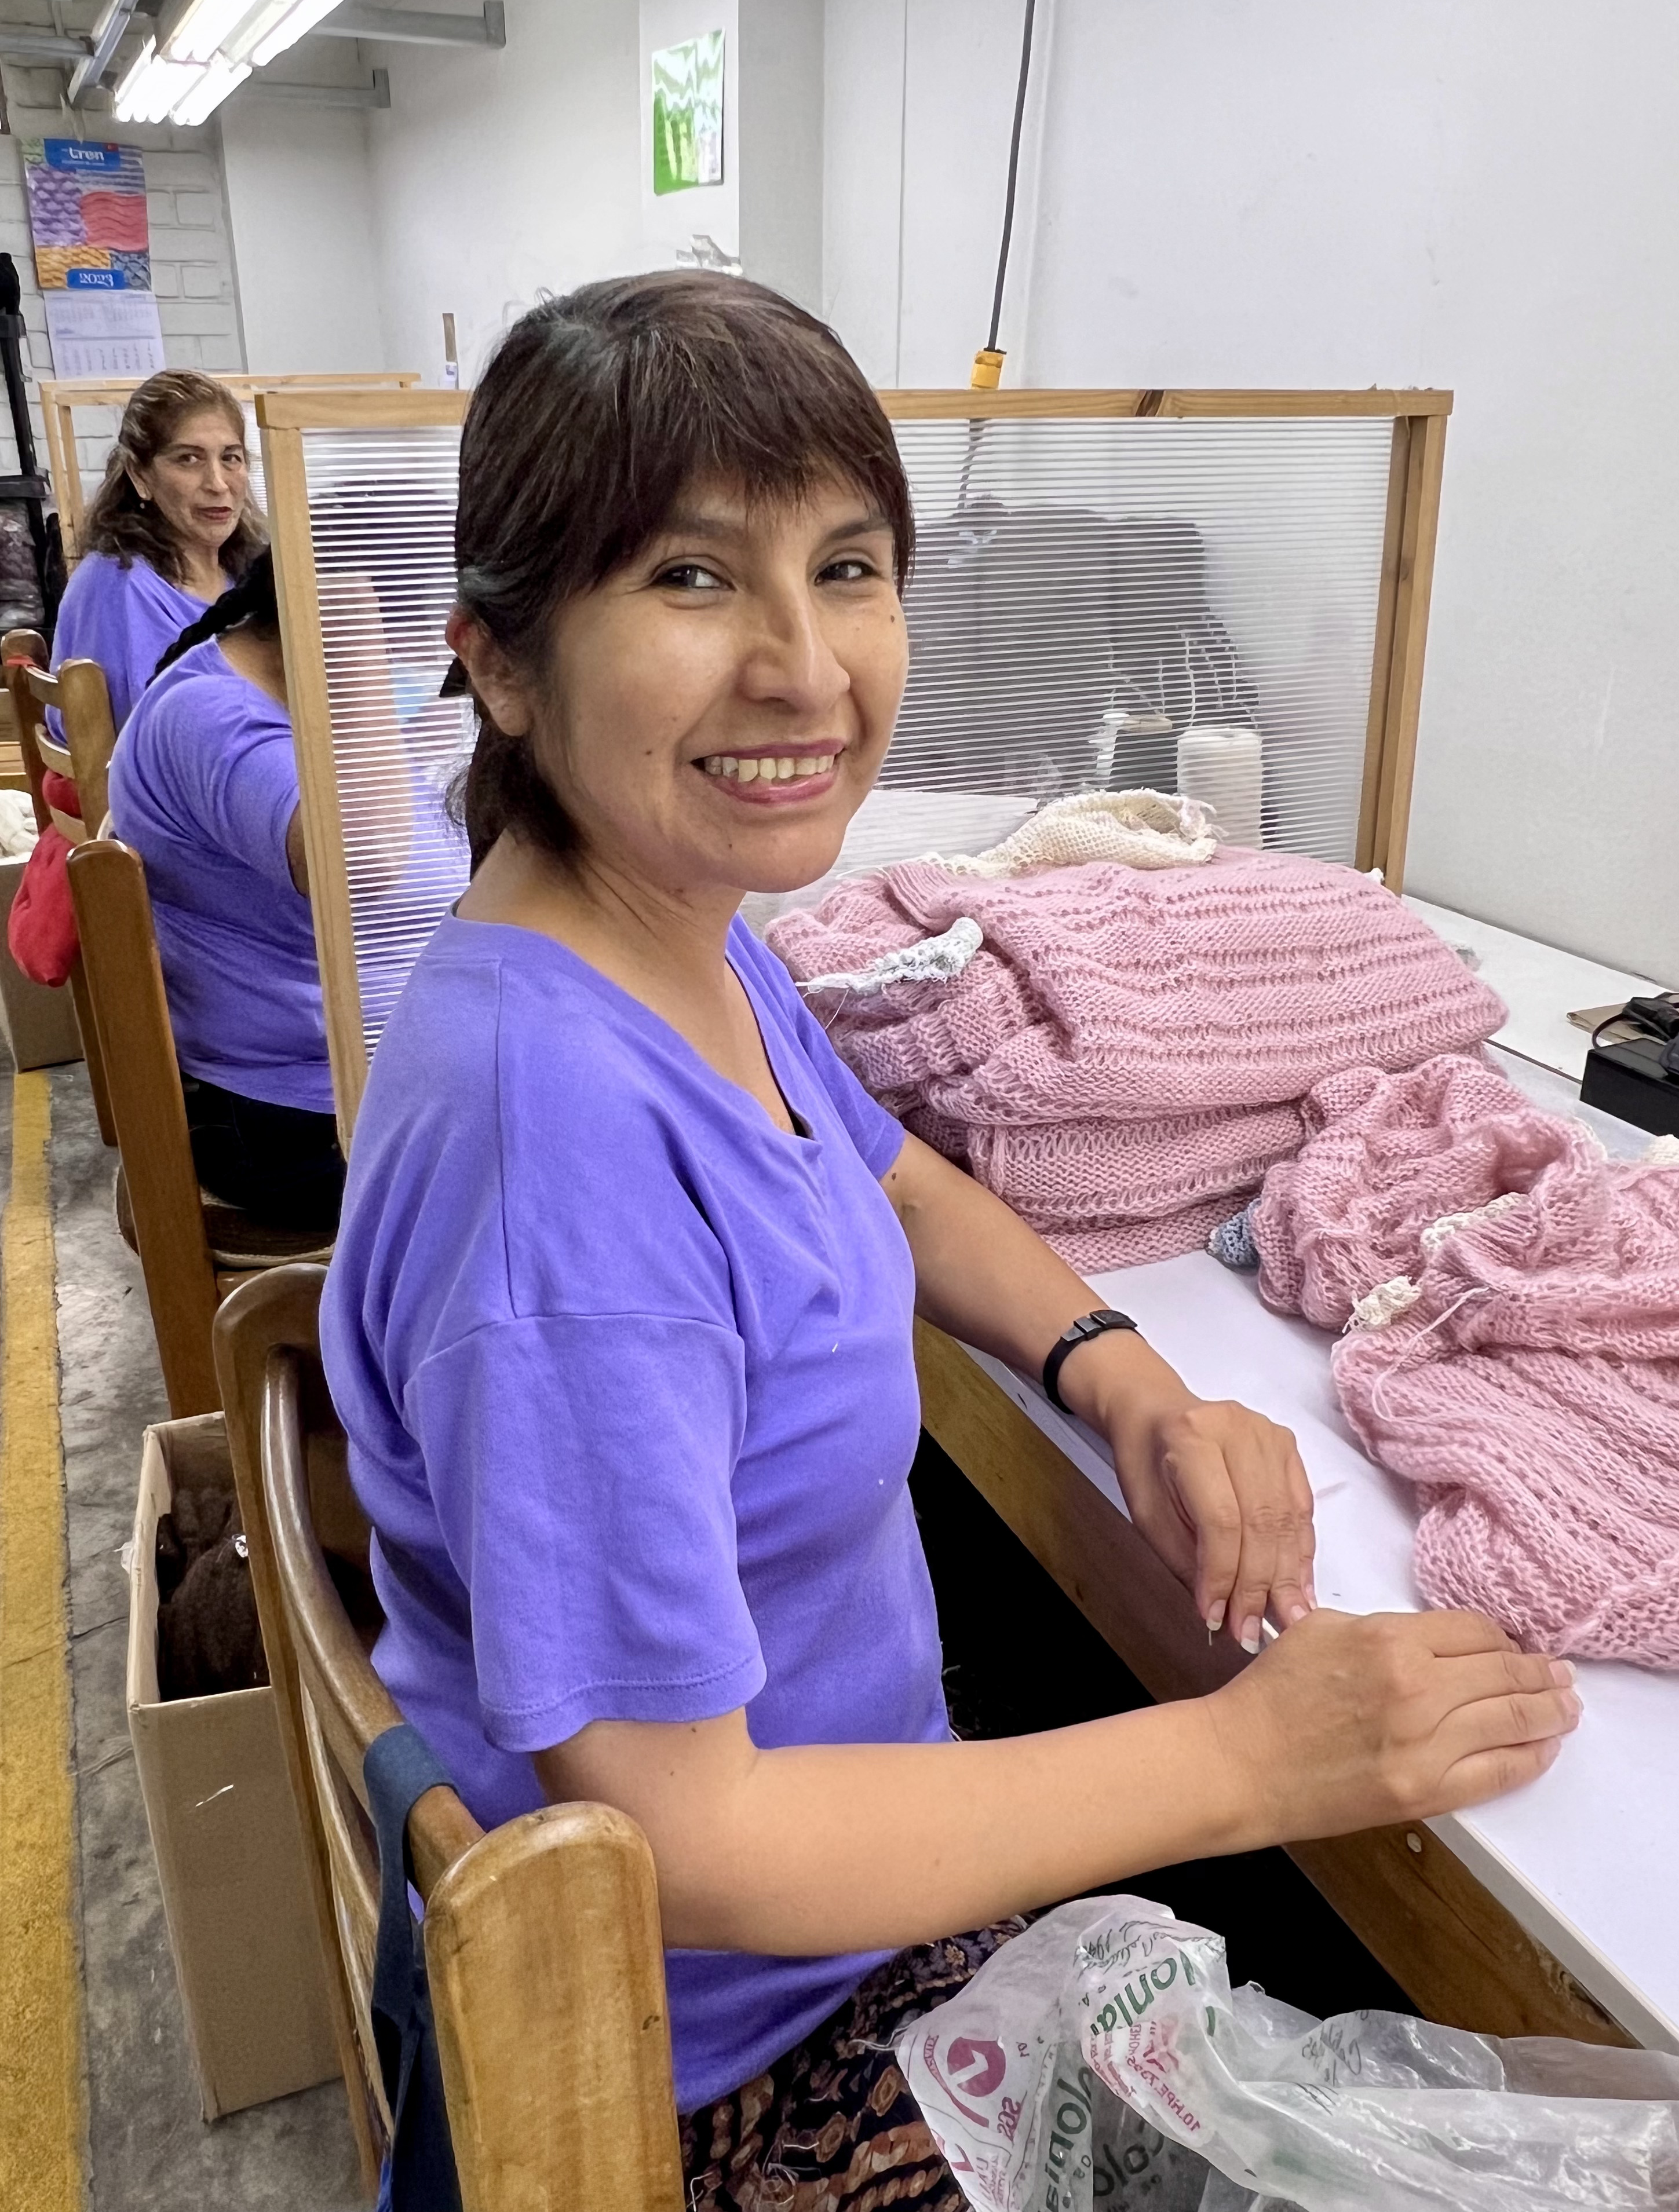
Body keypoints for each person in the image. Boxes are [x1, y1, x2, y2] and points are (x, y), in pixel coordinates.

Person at [319, 275, 1581, 2212]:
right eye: (689, 578)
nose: (804, 670)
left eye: (848, 569)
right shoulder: (559, 1162)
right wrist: (1253, 1762)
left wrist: (1120, 1374)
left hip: (816, 1895)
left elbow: (885, 1173)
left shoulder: (658, 930)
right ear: (499, 661)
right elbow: (691, 1842)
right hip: (719, 2060)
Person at [106, 551, 347, 1229]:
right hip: (294, 1117)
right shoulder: (212, 717)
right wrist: (360, 664)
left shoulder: (268, 696)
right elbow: (366, 871)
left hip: (323, 1082)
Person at [52, 368, 265, 730]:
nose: (217, 484)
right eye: (189, 459)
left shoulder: (243, 571)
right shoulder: (121, 584)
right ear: (140, 477)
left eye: (231, 457)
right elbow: (163, 733)